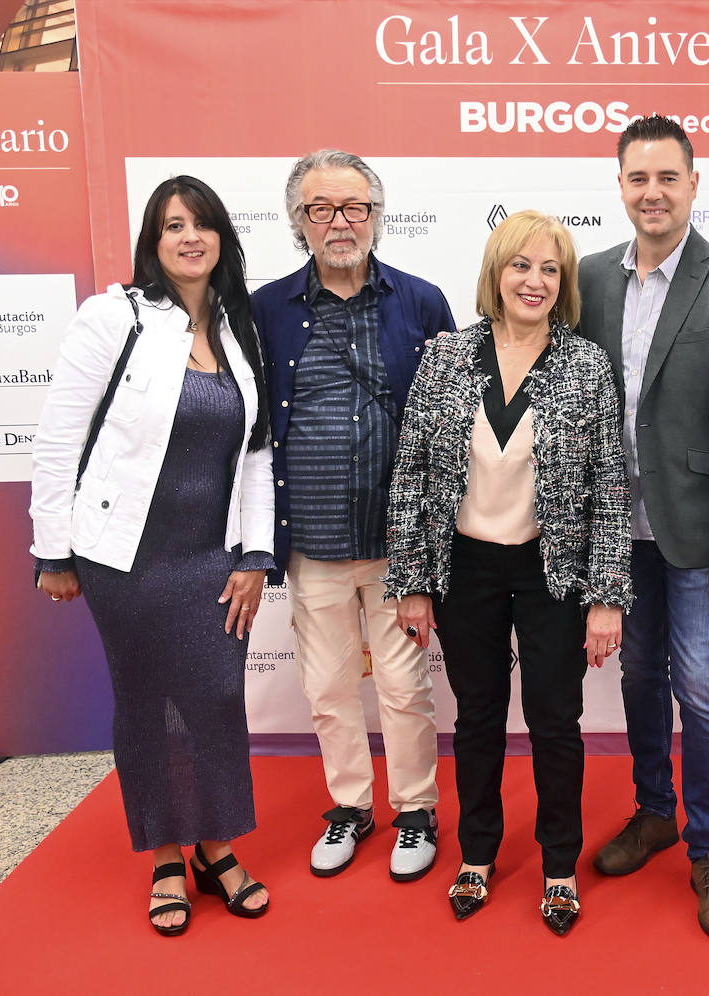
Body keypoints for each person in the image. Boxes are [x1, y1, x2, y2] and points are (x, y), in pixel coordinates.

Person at [30, 175, 274, 935]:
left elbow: (258, 454)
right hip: (123, 559)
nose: (189, 238)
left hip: (213, 556)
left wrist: (257, 553)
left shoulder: (240, 331)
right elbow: (59, 439)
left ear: (222, 239)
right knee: (147, 706)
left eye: (201, 224)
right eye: (173, 226)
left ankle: (216, 843)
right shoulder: (115, 317)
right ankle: (169, 856)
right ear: (153, 240)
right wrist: (54, 552)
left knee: (214, 699)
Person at [385, 210, 631, 937]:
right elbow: (412, 474)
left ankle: (559, 865)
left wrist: (605, 598)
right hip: (465, 569)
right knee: (480, 719)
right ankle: (478, 854)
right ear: (496, 272)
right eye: (520, 265)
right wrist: (412, 580)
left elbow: (609, 486)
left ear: (565, 283)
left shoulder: (585, 364)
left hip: (551, 571)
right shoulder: (447, 358)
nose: (534, 280)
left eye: (550, 268)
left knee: (557, 723)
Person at [578, 115, 709, 938]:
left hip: (699, 537)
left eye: (667, 177)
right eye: (637, 178)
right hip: (618, 535)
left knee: (701, 689)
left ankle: (706, 850)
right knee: (636, 680)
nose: (651, 192)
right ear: (619, 185)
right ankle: (652, 810)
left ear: (695, 184)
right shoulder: (586, 279)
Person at [251, 149, 456, 882]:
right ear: (297, 221)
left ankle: (416, 811)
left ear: (376, 214)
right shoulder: (266, 308)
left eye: (354, 207)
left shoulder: (421, 301)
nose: (339, 222)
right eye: (320, 209)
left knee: (404, 691)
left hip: (399, 546)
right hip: (311, 545)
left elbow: (447, 427)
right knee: (331, 691)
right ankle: (349, 806)